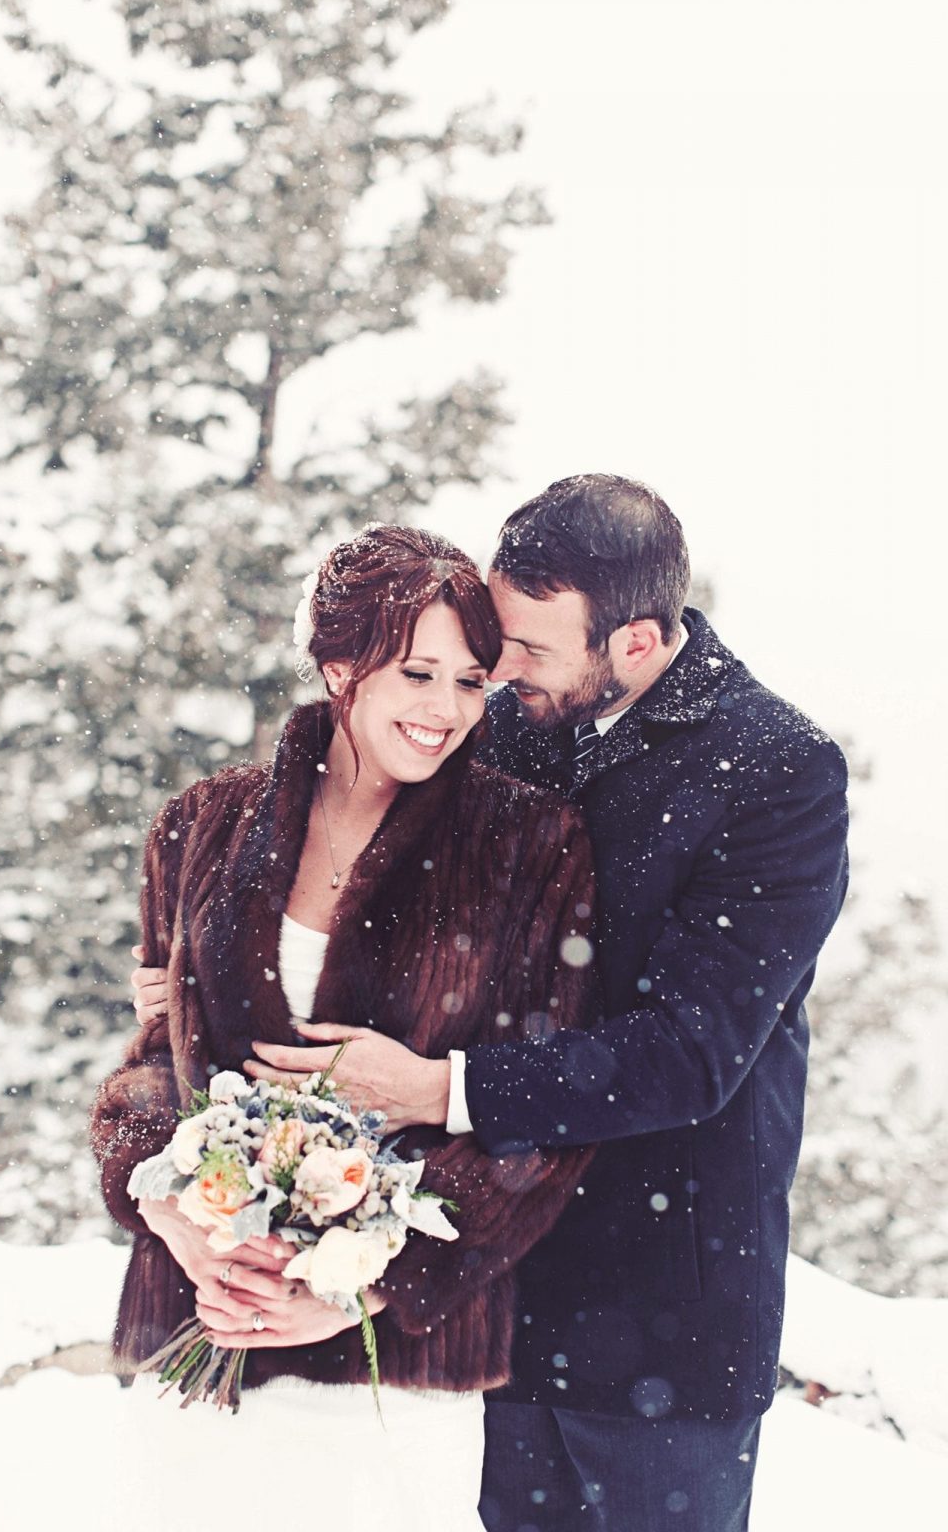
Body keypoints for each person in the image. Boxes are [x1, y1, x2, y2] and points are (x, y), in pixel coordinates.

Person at [135, 475, 848, 1530]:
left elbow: (692, 1055)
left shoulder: (778, 772)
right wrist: (198, 964)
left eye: (527, 651)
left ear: (638, 643)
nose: (496, 674)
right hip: (494, 1291)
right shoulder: (512, 721)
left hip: (665, 1310)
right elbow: (373, 872)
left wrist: (440, 1086)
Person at [92, 523, 597, 1531]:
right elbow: (153, 1068)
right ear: (339, 665)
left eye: (471, 681)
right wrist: (175, 1217)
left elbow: (542, 1116)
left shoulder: (531, 845)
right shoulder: (201, 824)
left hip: (394, 1371)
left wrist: (366, 1281)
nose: (447, 710)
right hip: (203, 1333)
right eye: (417, 672)